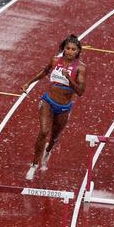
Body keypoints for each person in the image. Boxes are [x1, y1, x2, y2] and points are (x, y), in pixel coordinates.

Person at [22, 34, 87, 180]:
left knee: (54, 137)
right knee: (44, 131)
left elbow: (80, 92)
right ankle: (33, 165)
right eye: (67, 48)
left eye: (73, 49)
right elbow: (45, 72)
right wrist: (29, 82)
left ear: (78, 51)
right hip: (48, 101)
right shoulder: (55, 60)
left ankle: (48, 151)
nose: (70, 51)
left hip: (64, 107)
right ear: (63, 49)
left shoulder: (80, 68)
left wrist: (68, 77)